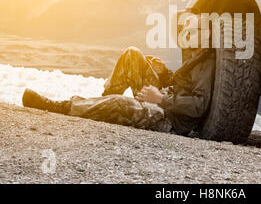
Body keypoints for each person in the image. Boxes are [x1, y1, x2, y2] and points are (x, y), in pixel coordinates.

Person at [22, 16, 216, 136]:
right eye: (186, 30)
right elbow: (184, 87)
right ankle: (100, 106)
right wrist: (165, 74)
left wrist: (161, 99)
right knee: (132, 55)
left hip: (169, 120)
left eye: (192, 30)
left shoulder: (207, 63)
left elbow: (199, 105)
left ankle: (60, 107)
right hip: (164, 103)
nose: (186, 34)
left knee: (119, 104)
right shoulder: (196, 56)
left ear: (207, 33)